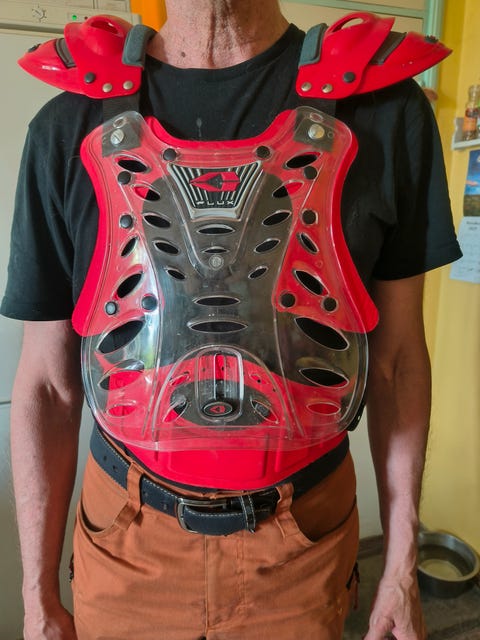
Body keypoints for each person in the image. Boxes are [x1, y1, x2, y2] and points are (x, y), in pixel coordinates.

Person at [1, 1, 462, 639]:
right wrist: (37, 597)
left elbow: (397, 362)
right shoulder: (68, 125)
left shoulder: (387, 112)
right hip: (127, 542)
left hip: (302, 545)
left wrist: (403, 564)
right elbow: (48, 387)